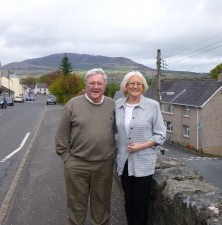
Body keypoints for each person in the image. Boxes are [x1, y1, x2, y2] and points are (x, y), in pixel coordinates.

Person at [55, 68, 116, 225]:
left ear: (104, 85)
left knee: (101, 206)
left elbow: (120, 131)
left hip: (104, 165)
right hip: (77, 164)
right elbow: (62, 135)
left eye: (99, 83)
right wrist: (67, 159)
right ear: (86, 85)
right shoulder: (72, 105)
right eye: (92, 83)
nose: (96, 87)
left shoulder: (113, 105)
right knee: (76, 207)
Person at [115, 71, 166, 225]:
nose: (135, 86)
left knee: (140, 205)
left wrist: (142, 145)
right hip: (124, 162)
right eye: (131, 83)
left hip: (144, 163)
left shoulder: (152, 106)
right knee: (128, 202)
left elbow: (161, 134)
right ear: (125, 86)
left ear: (143, 87)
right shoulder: (118, 105)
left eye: (139, 84)